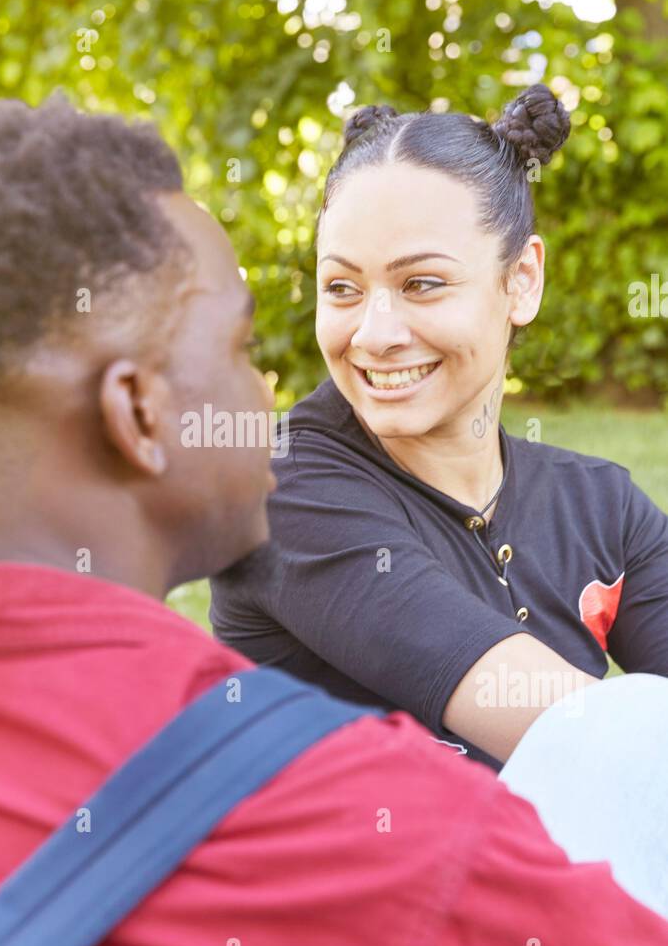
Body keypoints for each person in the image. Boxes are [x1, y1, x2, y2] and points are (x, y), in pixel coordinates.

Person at [0, 94, 668, 946]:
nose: (277, 397)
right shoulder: (380, 827)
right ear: (137, 410)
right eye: (243, 347)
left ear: (520, 281)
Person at [211, 84, 668, 771]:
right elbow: (585, 743)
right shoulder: (279, 493)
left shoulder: (602, 509)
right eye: (343, 288)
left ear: (522, 281)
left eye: (422, 283)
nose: (375, 333)